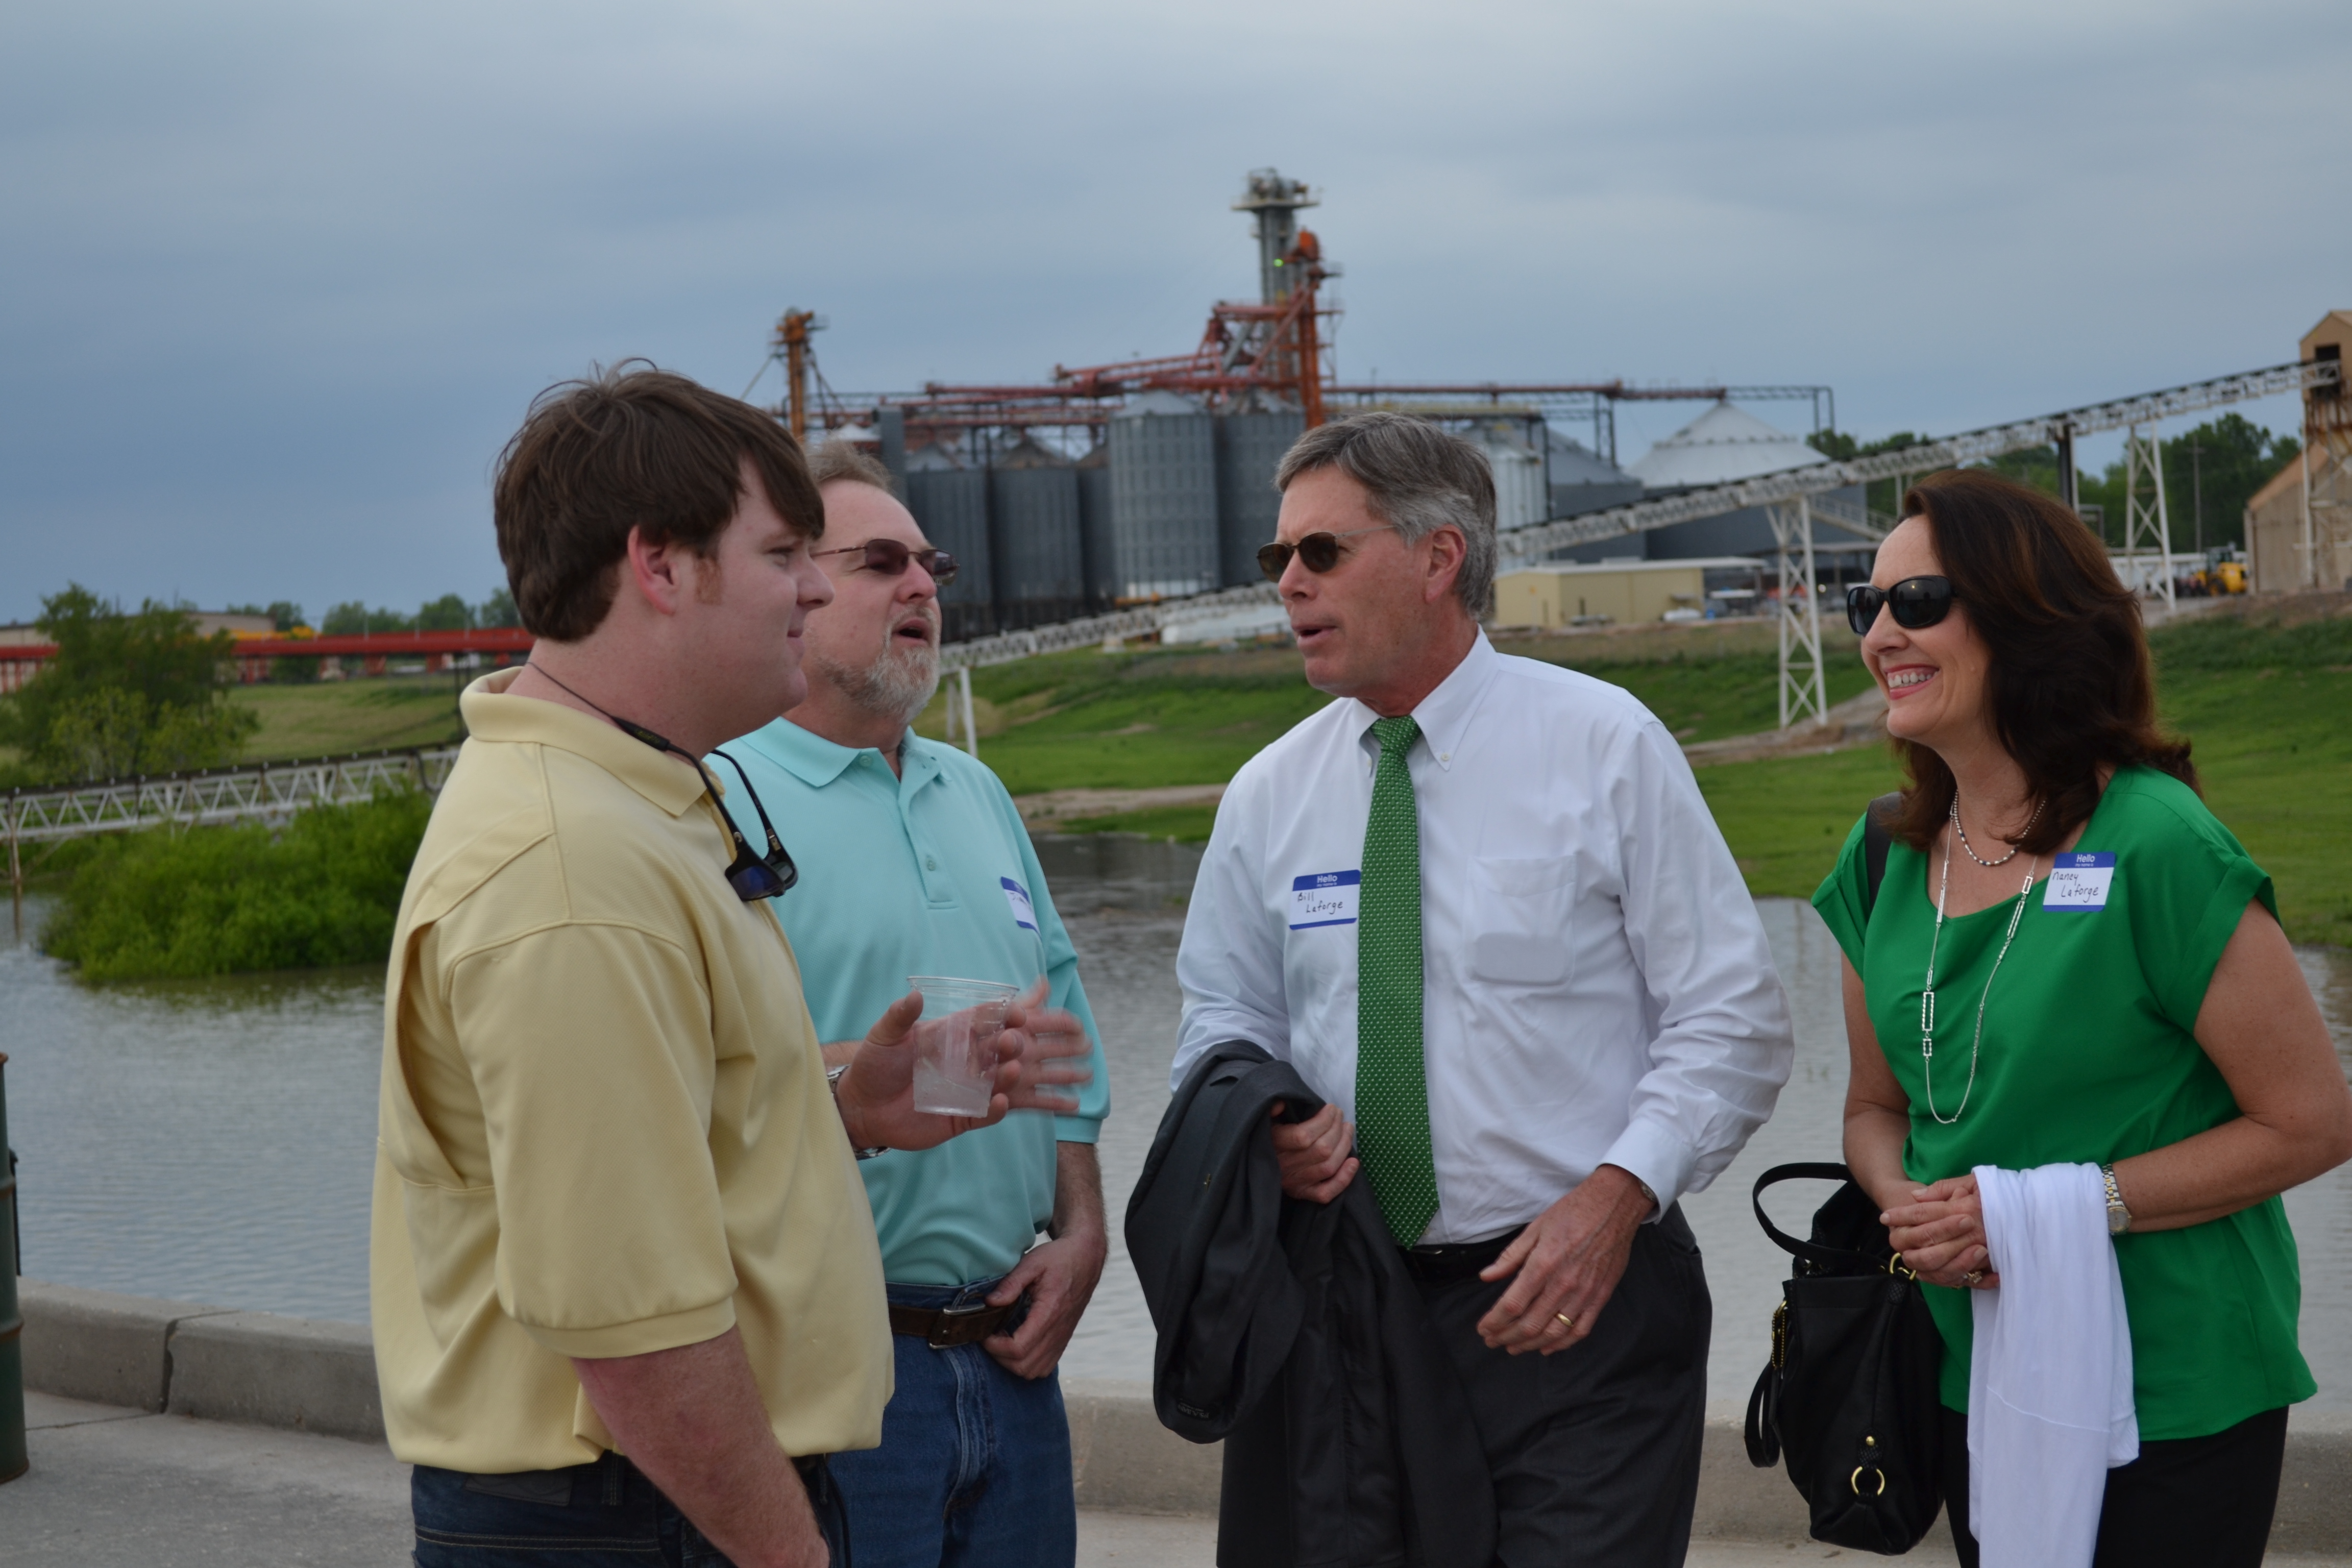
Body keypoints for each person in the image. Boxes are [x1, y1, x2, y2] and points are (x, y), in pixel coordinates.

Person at [371, 367, 1084, 1568]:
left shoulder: (635, 806)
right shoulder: (573, 877)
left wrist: (847, 1108)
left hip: (655, 1503)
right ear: (661, 567)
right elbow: (633, 1327)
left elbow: (668, 1146)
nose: (812, 588)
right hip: (630, 1514)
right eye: (783, 554)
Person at [1172, 410, 1795, 1566]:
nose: (1288, 584)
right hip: (1349, 1318)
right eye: (1278, 559)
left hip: (1579, 1314)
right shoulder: (1268, 795)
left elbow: (1735, 1021)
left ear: (1439, 556)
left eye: (1321, 553)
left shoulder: (1605, 747)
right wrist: (1259, 1122)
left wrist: (1618, 1197)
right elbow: (1222, 1018)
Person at [1816, 468, 2352, 1568]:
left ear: (2028, 618)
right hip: (1972, 1364)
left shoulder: (2158, 844)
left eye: (1916, 602)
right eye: (1861, 604)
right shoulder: (1882, 854)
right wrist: (1914, 1209)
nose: (1878, 634)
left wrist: (2050, 1211)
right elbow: (1874, 1107)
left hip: (2175, 1382)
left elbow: (2310, 1122)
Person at [709, 440, 1111, 1568]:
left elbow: (1065, 1029)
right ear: (797, 584)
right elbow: (698, 1074)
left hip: (1012, 1365)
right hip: (830, 1377)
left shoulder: (975, 790)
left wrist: (1082, 1230)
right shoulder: (722, 795)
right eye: (882, 561)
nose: (924, 587)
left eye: (930, 563)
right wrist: (865, 1074)